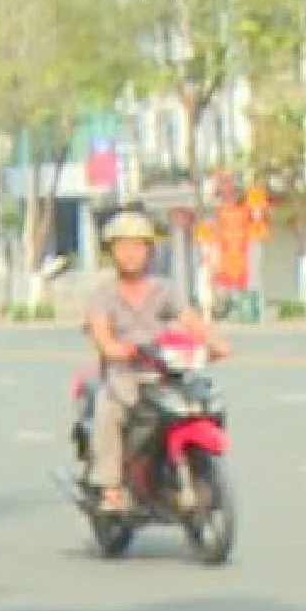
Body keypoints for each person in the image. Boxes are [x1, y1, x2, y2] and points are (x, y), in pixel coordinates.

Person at [76, 209, 227, 513]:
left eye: (137, 246)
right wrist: (115, 347)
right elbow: (101, 334)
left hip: (164, 373)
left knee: (204, 400)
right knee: (109, 409)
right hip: (124, 378)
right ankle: (111, 487)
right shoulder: (102, 295)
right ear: (111, 253)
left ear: (149, 251)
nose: (130, 254)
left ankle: (177, 470)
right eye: (122, 247)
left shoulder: (165, 290)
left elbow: (191, 321)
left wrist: (213, 343)